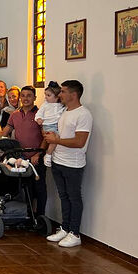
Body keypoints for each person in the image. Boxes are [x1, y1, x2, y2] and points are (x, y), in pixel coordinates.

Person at [44, 80, 92, 248]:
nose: (60, 95)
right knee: (63, 196)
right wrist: (52, 141)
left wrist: (57, 140)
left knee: (74, 197)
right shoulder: (64, 112)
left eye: (63, 92)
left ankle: (75, 232)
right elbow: (60, 135)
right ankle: (65, 227)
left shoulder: (83, 114)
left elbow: (79, 141)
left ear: (73, 94)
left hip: (73, 164)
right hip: (59, 160)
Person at [1, 85, 47, 215]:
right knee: (26, 188)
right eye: (23, 95)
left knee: (40, 188)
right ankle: (27, 215)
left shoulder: (40, 115)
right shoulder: (15, 114)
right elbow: (5, 132)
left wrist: (38, 154)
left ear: (35, 98)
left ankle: (40, 217)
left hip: (37, 157)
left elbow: (46, 137)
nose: (25, 98)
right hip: (21, 158)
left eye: (29, 96)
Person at [35, 81, 65, 167]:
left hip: (57, 126)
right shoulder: (45, 105)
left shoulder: (61, 105)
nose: (46, 97)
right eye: (45, 95)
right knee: (55, 139)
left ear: (56, 96)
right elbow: (38, 114)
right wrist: (38, 119)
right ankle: (48, 155)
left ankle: (50, 155)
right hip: (48, 126)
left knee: (58, 139)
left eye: (48, 95)